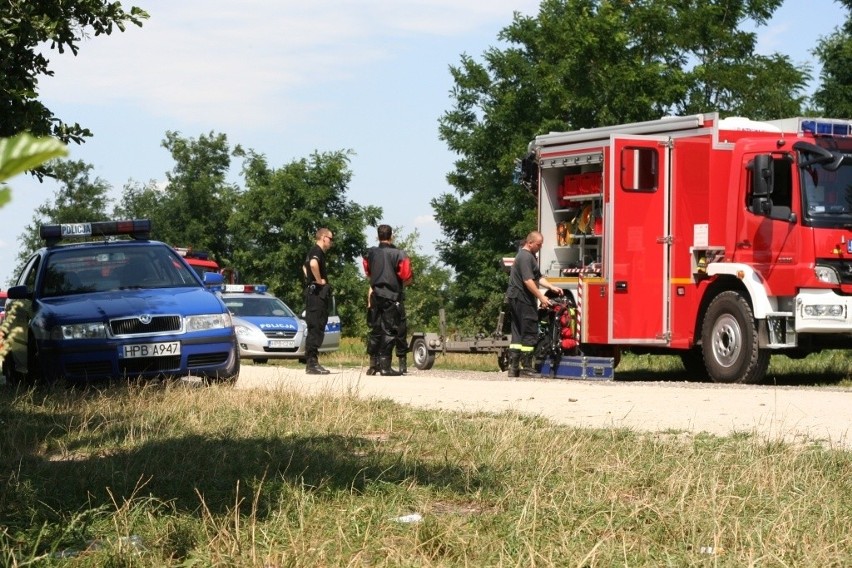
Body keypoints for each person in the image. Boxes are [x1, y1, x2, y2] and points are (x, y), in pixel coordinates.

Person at [505, 230, 563, 377]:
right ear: (530, 243)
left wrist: (551, 287)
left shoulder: (528, 257)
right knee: (529, 330)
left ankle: (513, 368)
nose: (540, 247)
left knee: (517, 332)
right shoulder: (525, 257)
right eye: (539, 244)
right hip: (522, 299)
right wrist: (542, 298)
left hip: (515, 298)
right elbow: (528, 280)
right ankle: (526, 367)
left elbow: (538, 277)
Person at [362, 224, 413, 376]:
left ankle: (373, 365)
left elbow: (367, 271)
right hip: (391, 295)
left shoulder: (369, 253)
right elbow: (406, 275)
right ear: (392, 236)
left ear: (378, 236)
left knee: (375, 329)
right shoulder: (399, 254)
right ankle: (385, 366)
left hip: (375, 294)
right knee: (389, 330)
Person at [302, 227, 334, 375]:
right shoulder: (317, 251)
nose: (331, 242)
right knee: (316, 327)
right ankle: (312, 364)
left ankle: (312, 362)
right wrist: (318, 280)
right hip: (316, 295)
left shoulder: (313, 251)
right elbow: (313, 264)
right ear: (323, 238)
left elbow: (304, 266)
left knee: (316, 326)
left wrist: (309, 279)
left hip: (313, 293)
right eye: (330, 239)